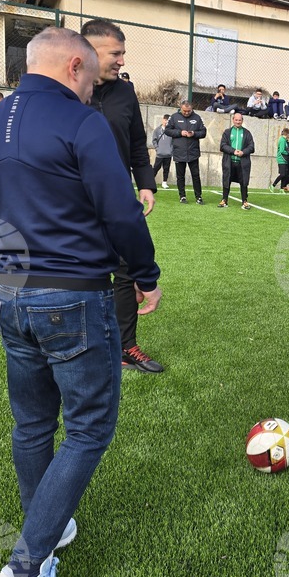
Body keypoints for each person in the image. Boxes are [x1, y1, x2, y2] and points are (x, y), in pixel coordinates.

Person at [0, 27, 162, 577]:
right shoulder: (81, 122)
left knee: (32, 425)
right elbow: (119, 208)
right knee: (90, 429)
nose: (95, 84)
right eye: (94, 74)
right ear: (74, 65)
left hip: (15, 299)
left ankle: (46, 528)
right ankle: (23, 573)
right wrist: (145, 274)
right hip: (72, 297)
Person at [83, 18, 162, 374]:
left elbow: (135, 142)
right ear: (88, 52)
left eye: (123, 53)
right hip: (75, 201)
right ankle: (80, 346)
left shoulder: (125, 92)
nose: (121, 61)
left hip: (118, 197)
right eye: (115, 53)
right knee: (82, 272)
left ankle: (125, 346)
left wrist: (145, 182)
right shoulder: (65, 92)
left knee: (128, 268)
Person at [165, 101, 207, 204]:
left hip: (193, 152)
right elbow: (167, 130)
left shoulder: (197, 118)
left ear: (192, 109)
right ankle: (182, 196)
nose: (187, 113)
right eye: (184, 111)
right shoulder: (174, 117)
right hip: (179, 152)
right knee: (180, 176)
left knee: (196, 175)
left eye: (189, 111)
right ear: (181, 108)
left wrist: (194, 133)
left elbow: (203, 132)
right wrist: (180, 133)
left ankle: (198, 197)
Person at [219, 112, 255, 209]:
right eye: (236, 120)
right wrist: (233, 151)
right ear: (233, 120)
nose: (238, 122)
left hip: (242, 163)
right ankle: (224, 200)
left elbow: (251, 147)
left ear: (242, 121)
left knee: (244, 182)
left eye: (240, 120)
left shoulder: (247, 133)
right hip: (229, 161)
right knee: (226, 180)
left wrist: (243, 152)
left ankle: (244, 201)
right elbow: (222, 146)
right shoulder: (227, 132)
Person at [151, 114, 172, 190]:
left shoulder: (171, 131)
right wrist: (157, 148)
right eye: (165, 120)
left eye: (168, 121)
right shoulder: (157, 130)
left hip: (168, 154)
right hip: (160, 153)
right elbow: (154, 140)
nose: (166, 122)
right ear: (163, 120)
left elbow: (173, 141)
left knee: (166, 168)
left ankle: (164, 182)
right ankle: (151, 181)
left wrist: (171, 150)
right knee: (156, 167)